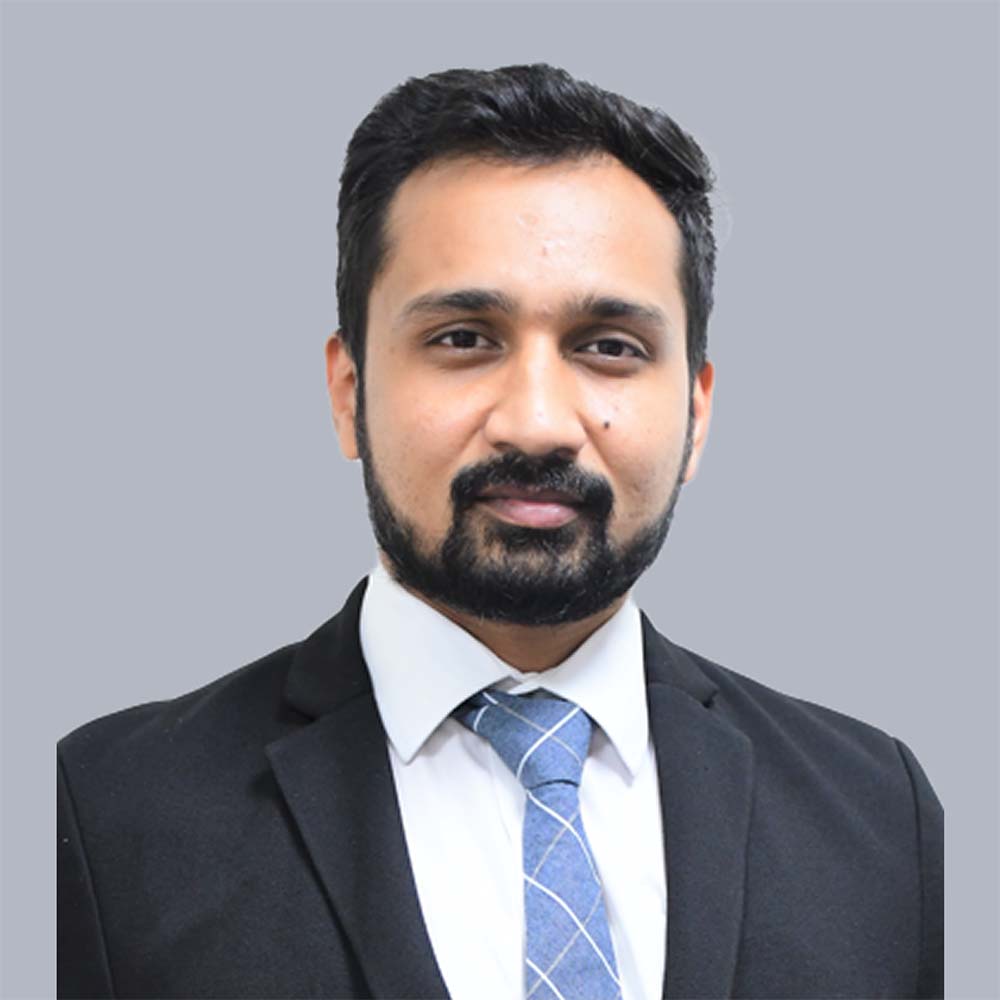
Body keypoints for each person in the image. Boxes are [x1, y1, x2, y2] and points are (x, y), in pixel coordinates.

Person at [57, 63, 943, 1000]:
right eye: (463, 338)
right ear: (349, 391)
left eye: (610, 347)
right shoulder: (103, 816)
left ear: (696, 410)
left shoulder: (885, 820)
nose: (537, 422)